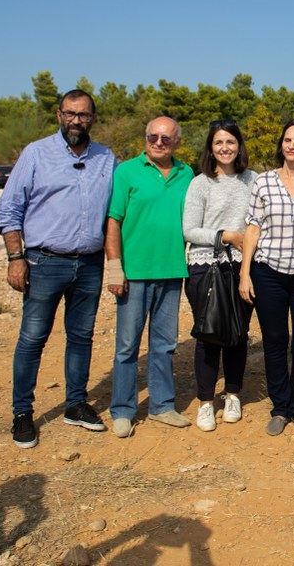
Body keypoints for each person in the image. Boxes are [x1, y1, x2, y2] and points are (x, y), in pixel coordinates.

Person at [0, 89, 117, 448]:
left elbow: (118, 212)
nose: (76, 121)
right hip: (44, 261)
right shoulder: (36, 153)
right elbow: (9, 209)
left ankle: (75, 404)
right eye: (70, 114)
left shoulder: (106, 158)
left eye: (83, 115)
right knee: (33, 338)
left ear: (93, 118)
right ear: (59, 115)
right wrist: (15, 258)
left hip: (90, 264)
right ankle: (22, 413)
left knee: (81, 337)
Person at [105, 117, 194, 438]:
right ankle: (123, 410)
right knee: (127, 346)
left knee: (165, 344)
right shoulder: (127, 171)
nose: (158, 142)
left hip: (171, 271)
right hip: (134, 274)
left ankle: (161, 406)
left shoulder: (187, 174)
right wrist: (114, 268)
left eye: (165, 138)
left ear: (177, 142)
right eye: (152, 136)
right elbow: (113, 221)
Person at [239, 120, 294, 436]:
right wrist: (245, 273)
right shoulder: (263, 182)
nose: (291, 145)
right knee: (275, 342)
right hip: (268, 274)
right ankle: (280, 408)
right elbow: (253, 227)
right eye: (287, 140)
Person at [182, 120, 257, 432]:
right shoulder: (200, 183)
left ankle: (233, 395)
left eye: (230, 142)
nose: (225, 148)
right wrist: (225, 235)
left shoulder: (253, 179)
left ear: (239, 145)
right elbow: (189, 230)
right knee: (209, 335)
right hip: (205, 267)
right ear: (210, 149)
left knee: (238, 334)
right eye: (218, 143)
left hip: (243, 267)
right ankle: (205, 403)